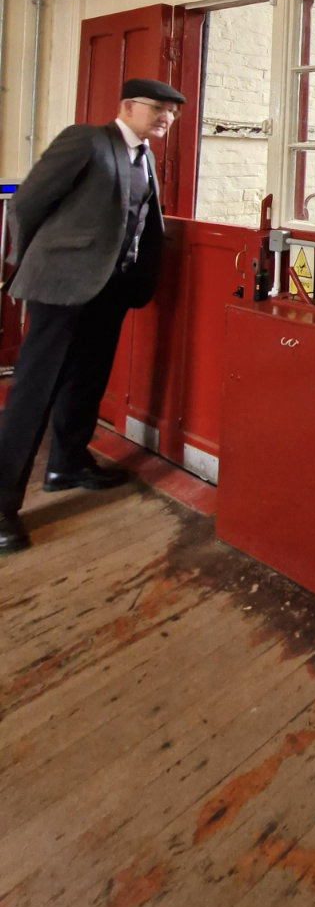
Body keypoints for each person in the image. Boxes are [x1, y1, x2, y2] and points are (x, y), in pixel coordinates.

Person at [0, 78, 186, 555]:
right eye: (159, 108)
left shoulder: (145, 157)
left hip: (109, 290)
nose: (167, 117)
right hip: (61, 286)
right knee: (34, 392)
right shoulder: (87, 139)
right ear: (127, 105)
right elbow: (25, 203)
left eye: (173, 112)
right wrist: (38, 261)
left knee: (87, 377)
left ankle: (67, 464)